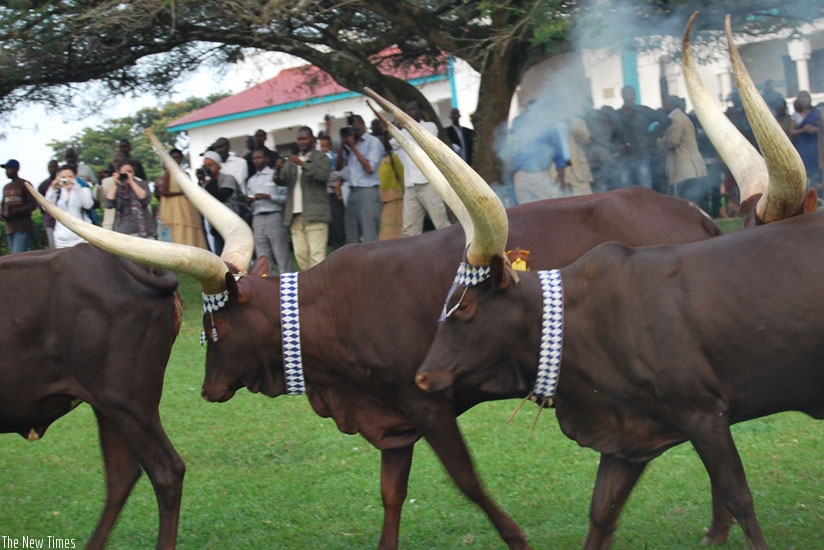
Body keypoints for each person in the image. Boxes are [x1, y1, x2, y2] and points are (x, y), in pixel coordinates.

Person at [390, 100, 451, 236]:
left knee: (441, 223)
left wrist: (406, 127)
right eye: (407, 111)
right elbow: (390, 145)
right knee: (409, 229)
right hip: (410, 185)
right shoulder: (403, 131)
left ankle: (453, 248)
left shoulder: (430, 126)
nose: (409, 113)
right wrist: (388, 129)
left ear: (420, 111)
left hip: (428, 182)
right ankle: (411, 250)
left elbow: (424, 139)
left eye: (412, 109)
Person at [275, 127, 331, 270]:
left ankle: (319, 283)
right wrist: (278, 169)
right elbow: (280, 181)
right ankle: (309, 283)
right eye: (299, 139)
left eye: (304, 138)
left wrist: (302, 164)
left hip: (315, 213)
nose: (301, 142)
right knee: (300, 256)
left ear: (312, 139)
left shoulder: (320, 157)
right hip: (295, 215)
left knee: (317, 256)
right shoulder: (292, 159)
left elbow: (323, 176)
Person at [609, 85, 670, 189]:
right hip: (624, 161)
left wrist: (650, 136)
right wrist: (618, 146)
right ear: (623, 96)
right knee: (627, 192)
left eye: (634, 95)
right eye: (630, 95)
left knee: (645, 190)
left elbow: (666, 120)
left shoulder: (643, 111)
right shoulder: (616, 115)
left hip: (641, 158)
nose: (633, 97)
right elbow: (611, 137)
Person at [507, 100, 567, 203]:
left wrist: (562, 181)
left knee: (544, 207)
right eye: (526, 111)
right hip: (521, 175)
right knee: (524, 208)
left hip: (541, 175)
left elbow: (559, 157)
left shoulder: (549, 129)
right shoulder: (518, 127)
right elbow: (510, 153)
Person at [335, 114, 382, 244]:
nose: (352, 130)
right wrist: (342, 145)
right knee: (352, 235)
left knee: (369, 234)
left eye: (354, 126)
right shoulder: (349, 144)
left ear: (362, 124)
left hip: (368, 191)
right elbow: (338, 167)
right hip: (352, 192)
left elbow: (370, 168)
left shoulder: (373, 142)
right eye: (349, 127)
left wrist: (353, 148)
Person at [247, 147, 292, 274]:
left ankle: (288, 282)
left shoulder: (275, 175)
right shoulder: (251, 180)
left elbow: (286, 198)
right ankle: (269, 283)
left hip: (274, 215)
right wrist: (249, 202)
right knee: (263, 257)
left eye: (259, 157)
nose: (257, 160)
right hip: (257, 217)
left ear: (266, 159)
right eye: (254, 158)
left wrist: (269, 196)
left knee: (281, 253)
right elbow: (249, 201)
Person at [658, 95, 708, 208]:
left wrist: (661, 140)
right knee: (694, 199)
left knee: (686, 201)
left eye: (665, 104)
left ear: (671, 105)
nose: (663, 107)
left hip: (683, 168)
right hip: (692, 166)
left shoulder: (675, 119)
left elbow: (672, 142)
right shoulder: (682, 116)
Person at [156, 148, 208, 248]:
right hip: (175, 207)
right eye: (174, 158)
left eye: (178, 157)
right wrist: (180, 193)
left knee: (191, 229)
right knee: (179, 228)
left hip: (187, 206)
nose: (176, 160)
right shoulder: (168, 173)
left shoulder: (186, 174)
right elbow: (164, 192)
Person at [198, 150, 244, 256]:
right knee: (221, 255)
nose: (207, 169)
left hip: (232, 222)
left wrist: (205, 182)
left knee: (235, 253)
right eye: (205, 166)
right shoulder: (208, 182)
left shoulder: (228, 178)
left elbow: (221, 197)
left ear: (218, 166)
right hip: (216, 225)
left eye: (210, 165)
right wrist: (201, 181)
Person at [45, 163, 95, 248]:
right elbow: (46, 207)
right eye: (63, 177)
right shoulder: (58, 192)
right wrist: (53, 189)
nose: (66, 180)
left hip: (82, 237)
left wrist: (76, 186)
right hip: (61, 239)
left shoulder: (83, 190)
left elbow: (88, 205)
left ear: (75, 176)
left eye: (70, 177)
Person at [103, 158, 156, 238]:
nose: (127, 174)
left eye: (130, 172)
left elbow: (145, 199)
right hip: (123, 231)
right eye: (124, 172)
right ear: (118, 172)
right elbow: (108, 204)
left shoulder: (142, 184)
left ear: (134, 172)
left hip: (145, 230)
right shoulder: (116, 188)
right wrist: (115, 184)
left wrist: (131, 182)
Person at [789, 91, 823, 195]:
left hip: (817, 144)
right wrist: (803, 130)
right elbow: (792, 131)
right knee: (807, 169)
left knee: (819, 167)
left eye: (806, 98)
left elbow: (821, 126)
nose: (804, 100)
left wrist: (815, 129)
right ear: (799, 100)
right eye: (802, 98)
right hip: (803, 146)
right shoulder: (795, 115)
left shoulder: (816, 112)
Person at [1, 159, 37, 253]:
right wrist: (3, 214)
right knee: (13, 257)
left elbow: (33, 204)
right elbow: (4, 206)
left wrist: (14, 212)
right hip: (10, 228)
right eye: (6, 169)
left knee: (18, 255)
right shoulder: (6, 187)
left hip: (22, 227)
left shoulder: (25, 184)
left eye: (9, 169)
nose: (7, 171)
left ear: (16, 169)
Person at [319, 134, 345, 250]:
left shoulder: (333, 157)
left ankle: (339, 248)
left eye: (325, 146)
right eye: (321, 146)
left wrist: (330, 180)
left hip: (334, 194)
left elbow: (340, 174)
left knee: (336, 225)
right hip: (324, 195)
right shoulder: (319, 158)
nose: (323, 148)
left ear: (330, 146)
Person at [37, 159, 59, 248]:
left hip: (64, 219)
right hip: (50, 221)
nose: (52, 169)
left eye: (54, 167)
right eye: (50, 167)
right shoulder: (43, 185)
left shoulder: (64, 182)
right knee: (53, 247)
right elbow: (40, 204)